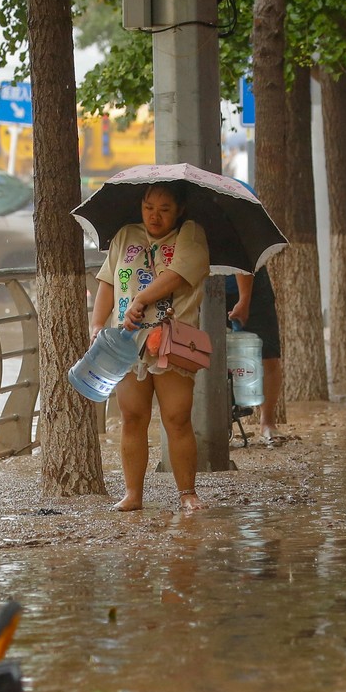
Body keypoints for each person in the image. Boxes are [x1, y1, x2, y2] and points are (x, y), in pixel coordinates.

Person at [89, 182, 211, 513]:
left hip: (171, 341)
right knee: (132, 417)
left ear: (180, 210)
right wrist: (98, 326)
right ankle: (133, 494)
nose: (154, 216)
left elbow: (178, 275)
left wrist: (142, 298)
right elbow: (108, 282)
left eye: (164, 209)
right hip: (126, 342)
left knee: (177, 417)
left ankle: (187, 491)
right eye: (148, 207)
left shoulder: (191, 235)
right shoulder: (126, 235)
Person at [225, 267, 284, 443]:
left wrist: (244, 300)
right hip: (206, 285)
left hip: (252, 284)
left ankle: (268, 422)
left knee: (267, 354)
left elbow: (242, 259)